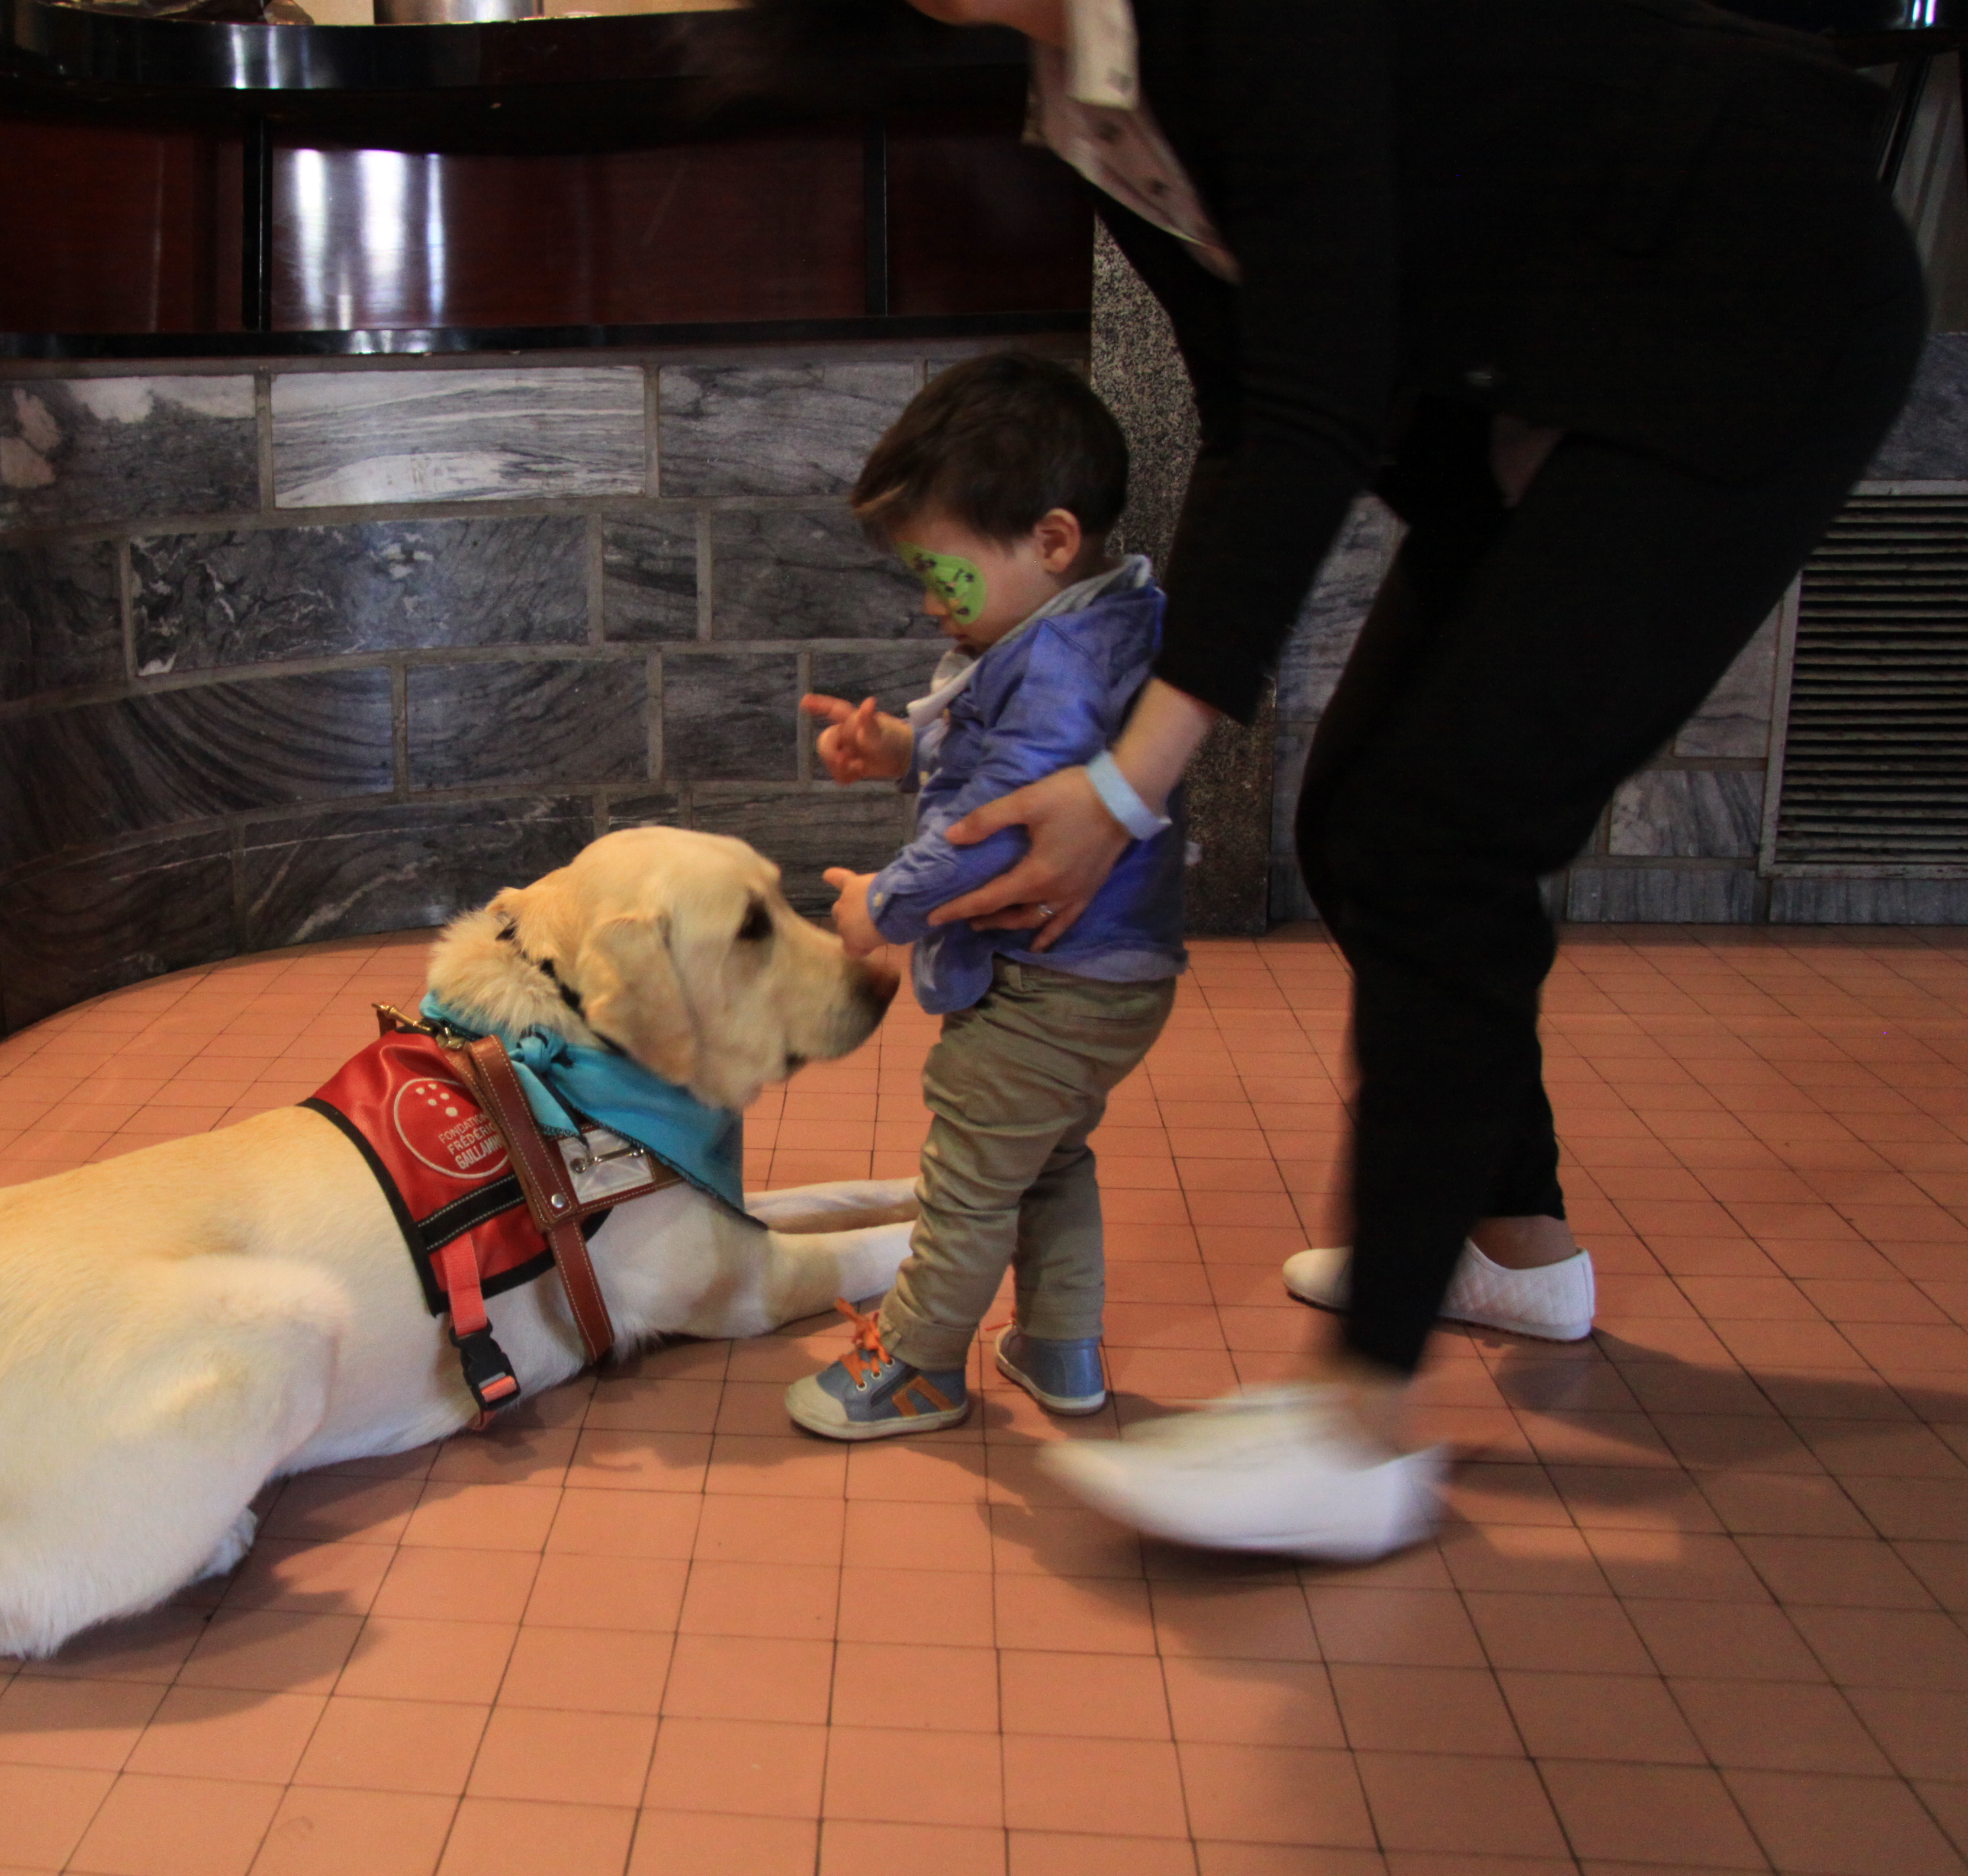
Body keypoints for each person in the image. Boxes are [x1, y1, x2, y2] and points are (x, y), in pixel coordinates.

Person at [758, 0, 1926, 1556]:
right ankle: (1513, 1246)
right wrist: (1121, 767)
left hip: (1744, 311)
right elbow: (1254, 406)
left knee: (1433, 837)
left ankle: (1357, 1425)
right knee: (1363, 825)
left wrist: (1125, 793)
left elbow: (1320, 392)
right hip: (1550, 384)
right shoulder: (1085, 88)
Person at [786, 354, 1186, 1438]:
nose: (930, 604)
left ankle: (916, 1367)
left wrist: (883, 906)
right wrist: (904, 748)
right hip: (1113, 978)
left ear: (1052, 541)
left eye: (942, 576)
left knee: (966, 1180)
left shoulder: (1054, 662)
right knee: (1049, 1159)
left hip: (1045, 985)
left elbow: (993, 827)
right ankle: (1059, 1347)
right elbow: (1007, 759)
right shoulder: (1095, 627)